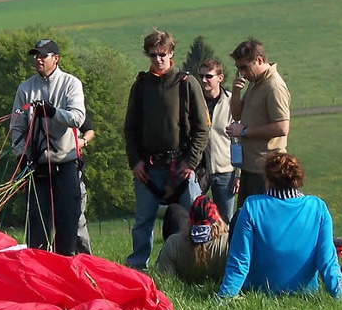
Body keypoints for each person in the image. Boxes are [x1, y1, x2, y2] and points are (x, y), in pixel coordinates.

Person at [124, 28, 210, 271]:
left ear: (171, 52)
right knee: (142, 222)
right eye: (153, 55)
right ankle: (138, 269)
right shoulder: (140, 86)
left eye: (162, 54)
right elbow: (129, 129)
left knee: (198, 216)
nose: (158, 59)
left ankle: (203, 263)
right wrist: (135, 162)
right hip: (148, 168)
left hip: (181, 166)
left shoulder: (186, 83)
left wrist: (191, 162)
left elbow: (202, 128)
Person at [217, 153, 342, 299]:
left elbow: (240, 262)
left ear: (269, 180)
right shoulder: (318, 207)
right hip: (305, 294)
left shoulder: (252, 207)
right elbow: (328, 261)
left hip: (260, 292)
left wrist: (223, 299)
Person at [11, 39, 85, 255]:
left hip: (66, 163)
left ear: (56, 58)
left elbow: (78, 118)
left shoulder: (71, 84)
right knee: (37, 225)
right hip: (38, 167)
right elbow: (17, 128)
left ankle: (66, 268)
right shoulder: (25, 89)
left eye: (43, 55)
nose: (38, 59)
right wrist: (21, 158)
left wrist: (53, 112)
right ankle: (39, 271)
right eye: (36, 55)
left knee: (68, 222)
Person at [225, 38, 290, 210]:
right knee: (245, 217)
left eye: (244, 67)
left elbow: (282, 127)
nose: (241, 73)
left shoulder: (274, 86)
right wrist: (237, 93)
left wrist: (245, 131)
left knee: (261, 218)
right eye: (238, 68)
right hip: (249, 166)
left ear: (259, 60)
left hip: (266, 169)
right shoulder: (255, 83)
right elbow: (238, 114)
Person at [198, 58, 239, 223]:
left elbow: (238, 141)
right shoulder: (195, 101)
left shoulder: (231, 103)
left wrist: (238, 174)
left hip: (225, 172)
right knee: (193, 216)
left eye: (209, 76)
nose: (203, 80)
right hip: (198, 171)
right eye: (201, 76)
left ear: (220, 78)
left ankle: (224, 250)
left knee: (225, 221)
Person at [155, 195, 230, 284]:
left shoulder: (172, 243)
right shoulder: (229, 243)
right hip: (219, 291)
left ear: (189, 220)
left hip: (182, 292)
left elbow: (163, 280)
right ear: (218, 220)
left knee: (174, 210)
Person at [75, 113, 95, 255]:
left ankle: (85, 257)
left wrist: (82, 141)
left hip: (73, 170)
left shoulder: (73, 108)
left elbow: (89, 130)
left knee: (78, 218)